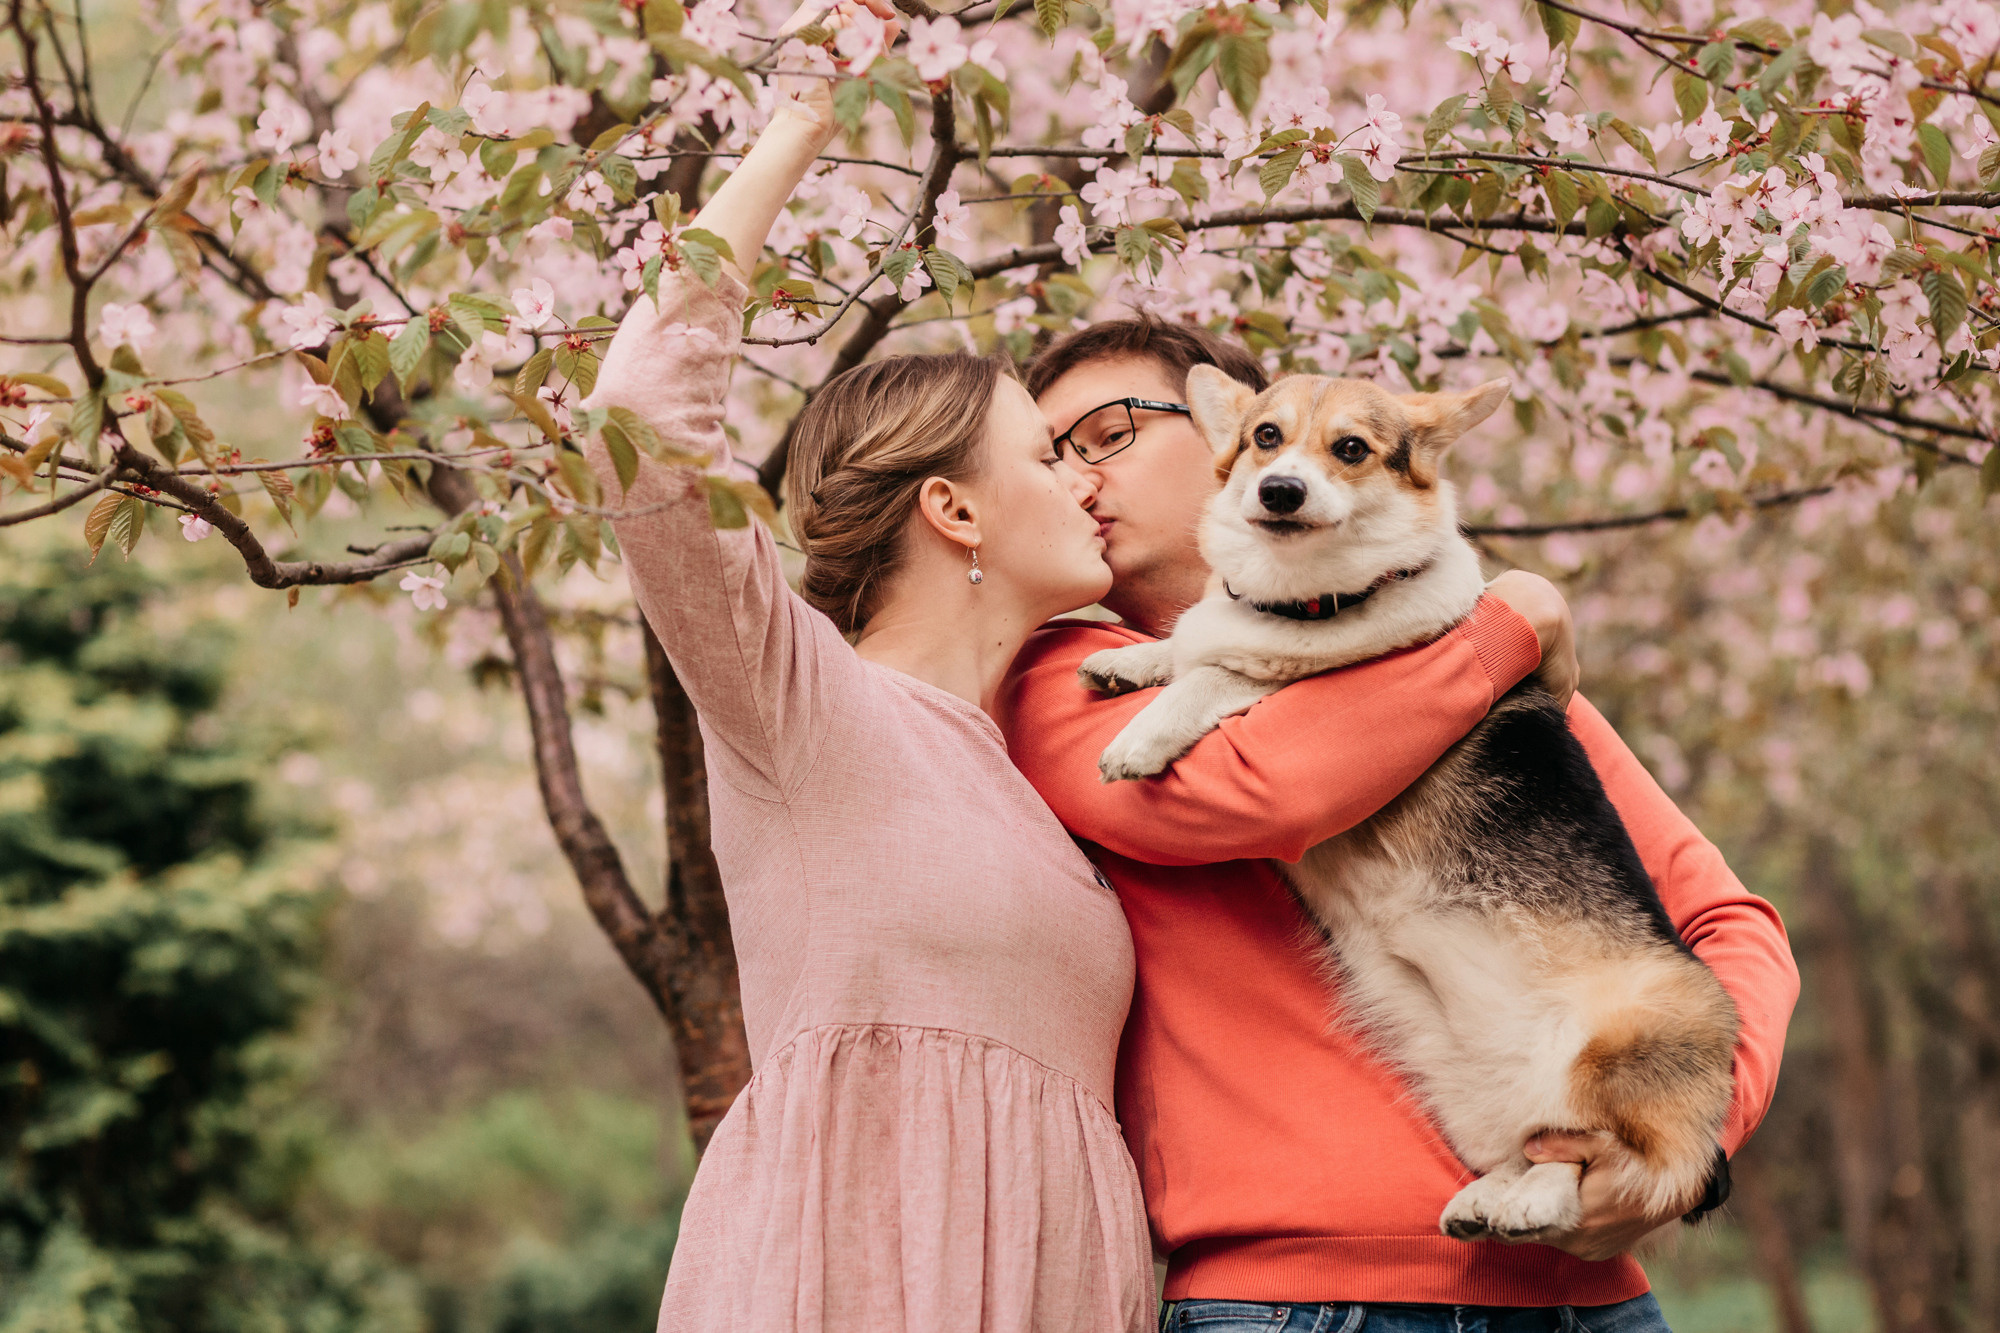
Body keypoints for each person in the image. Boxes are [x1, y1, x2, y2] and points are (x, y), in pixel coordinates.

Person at [998, 319, 1801, 1333]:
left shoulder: (1467, 658)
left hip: (1581, 1295)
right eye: (1051, 451)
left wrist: (1668, 1155)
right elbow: (1264, 791)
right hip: (1294, 1300)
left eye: (1109, 432)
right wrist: (1508, 626)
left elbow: (1727, 921)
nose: (1078, 476)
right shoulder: (1059, 679)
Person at [578, 15, 1156, 1327]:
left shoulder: (1050, 779)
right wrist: (799, 124)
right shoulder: (807, 708)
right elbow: (639, 429)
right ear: (953, 509)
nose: (1087, 482)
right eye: (1048, 455)